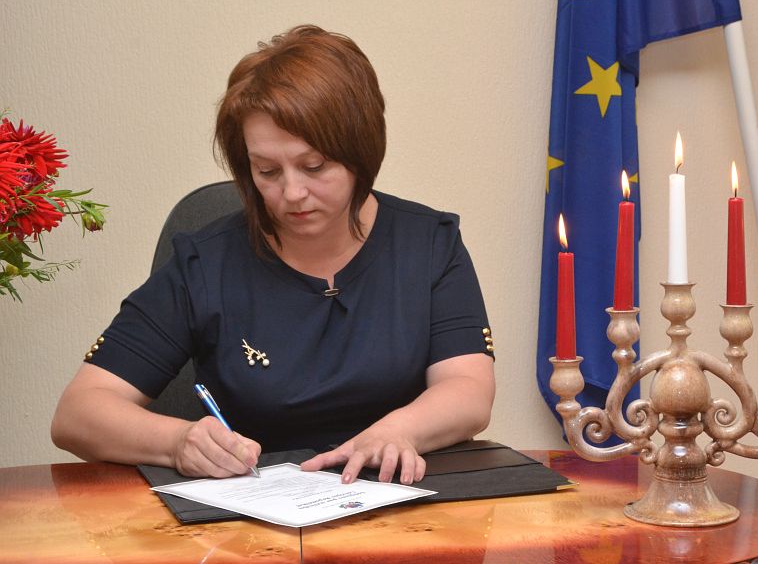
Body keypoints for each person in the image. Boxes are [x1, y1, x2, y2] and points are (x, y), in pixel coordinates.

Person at [51, 25, 495, 486]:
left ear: (361, 152)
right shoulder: (206, 263)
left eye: (314, 166)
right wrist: (178, 441)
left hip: (403, 502)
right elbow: (79, 413)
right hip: (256, 513)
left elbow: (468, 390)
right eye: (267, 171)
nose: (293, 192)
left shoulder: (429, 244)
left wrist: (397, 432)